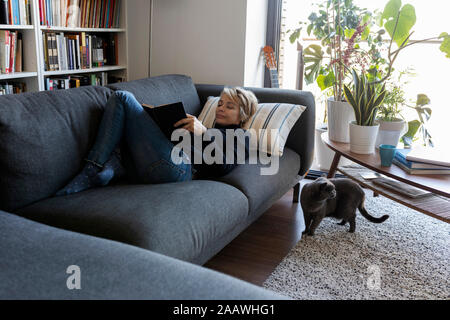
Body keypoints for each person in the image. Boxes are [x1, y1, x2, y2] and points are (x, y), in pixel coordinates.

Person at [56, 87, 258, 196]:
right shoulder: (209, 128)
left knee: (123, 98)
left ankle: (95, 169)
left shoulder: (243, 137)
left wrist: (203, 133)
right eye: (220, 103)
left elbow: (222, 167)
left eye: (229, 106)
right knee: (122, 102)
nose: (221, 108)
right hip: (162, 158)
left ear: (242, 115)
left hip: (182, 170)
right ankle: (113, 166)